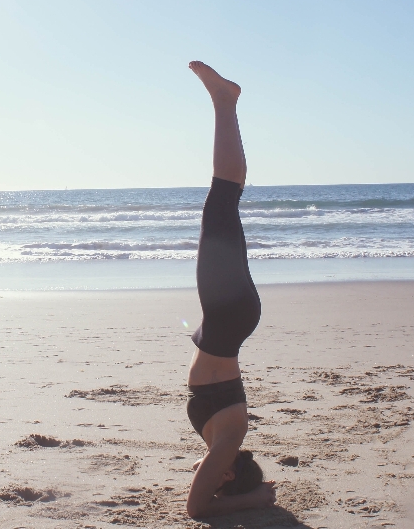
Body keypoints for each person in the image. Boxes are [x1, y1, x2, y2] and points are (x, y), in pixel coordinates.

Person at [184, 61, 277, 519]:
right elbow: (196, 511)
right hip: (226, 316)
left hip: (229, 320)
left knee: (226, 198)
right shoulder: (228, 445)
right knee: (221, 199)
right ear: (227, 476)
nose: (203, 474)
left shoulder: (226, 441)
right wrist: (252, 501)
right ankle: (225, 101)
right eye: (216, 480)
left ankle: (226, 102)